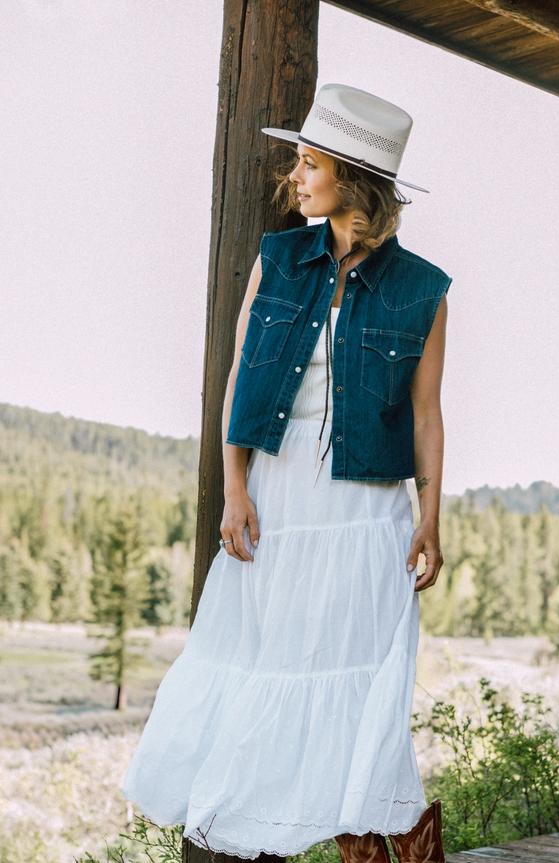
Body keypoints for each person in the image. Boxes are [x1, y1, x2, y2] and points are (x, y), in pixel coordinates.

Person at [120, 82, 451, 863]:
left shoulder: (423, 290)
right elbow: (241, 373)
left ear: (353, 180)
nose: (293, 178)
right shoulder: (279, 261)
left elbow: (428, 414)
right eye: (297, 162)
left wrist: (432, 515)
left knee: (357, 680)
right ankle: (311, 839)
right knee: (267, 666)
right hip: (277, 499)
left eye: (310, 164)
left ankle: (390, 846)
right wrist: (234, 485)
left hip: (368, 512)